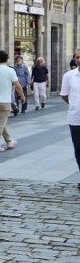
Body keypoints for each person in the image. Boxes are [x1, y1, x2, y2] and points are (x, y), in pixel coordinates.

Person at [0, 50, 25, 152]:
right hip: (5, 101)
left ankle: (9, 141)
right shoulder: (10, 70)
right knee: (1, 123)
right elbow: (17, 85)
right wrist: (22, 95)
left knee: (1, 122)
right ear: (7, 59)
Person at [60, 49, 80, 189]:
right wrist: (74, 105)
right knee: (78, 150)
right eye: (78, 56)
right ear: (75, 59)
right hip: (75, 119)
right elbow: (64, 95)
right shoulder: (69, 76)